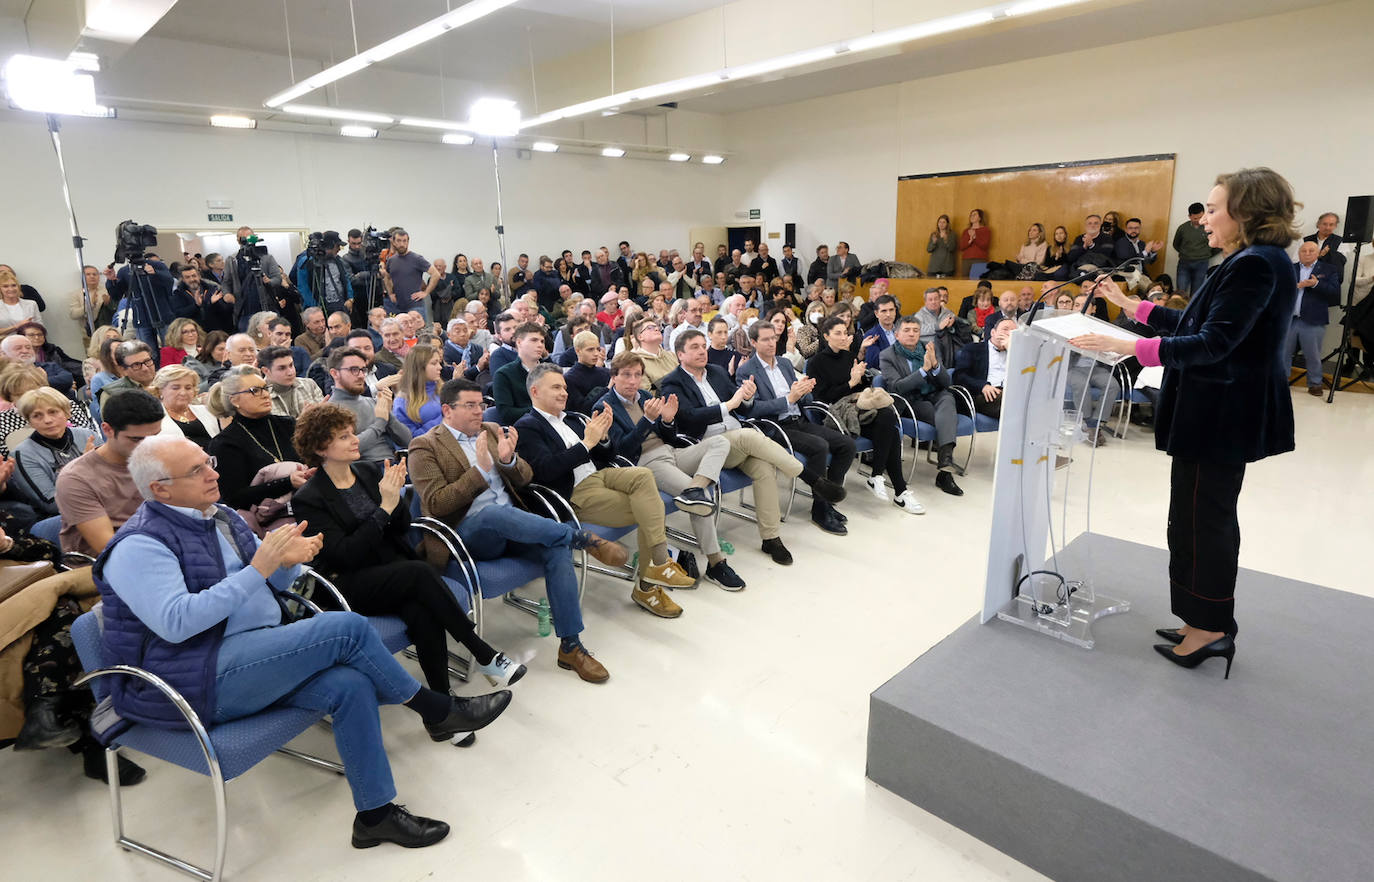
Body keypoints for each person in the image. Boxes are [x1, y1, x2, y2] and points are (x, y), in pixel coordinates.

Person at [103, 435, 508, 849]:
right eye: (198, 470)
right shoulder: (139, 545)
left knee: (350, 686)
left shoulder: (219, 516)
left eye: (207, 461)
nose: (214, 472)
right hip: (190, 680)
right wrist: (260, 568)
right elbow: (177, 624)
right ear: (160, 489)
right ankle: (439, 710)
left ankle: (375, 816)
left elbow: (268, 586)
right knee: (346, 627)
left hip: (252, 651)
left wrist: (287, 563)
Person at [1070, 167, 1301, 676]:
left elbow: (1213, 343)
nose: (1203, 221)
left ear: (1247, 213)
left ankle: (1210, 630)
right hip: (1216, 414)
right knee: (1193, 518)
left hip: (1220, 416)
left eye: (1213, 210)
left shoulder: (1256, 265)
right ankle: (1201, 616)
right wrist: (1133, 306)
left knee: (1204, 521)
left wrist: (1126, 345)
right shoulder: (1248, 261)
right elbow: (1199, 321)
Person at [290, 404, 526, 694]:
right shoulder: (309, 498)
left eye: (352, 433)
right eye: (343, 437)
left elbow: (401, 526)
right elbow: (345, 554)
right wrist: (384, 507)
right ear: (320, 448)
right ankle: (483, 652)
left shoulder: (365, 470)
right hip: (351, 582)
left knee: (421, 612)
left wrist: (396, 497)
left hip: (392, 569)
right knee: (418, 571)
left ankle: (442, 709)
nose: (355, 439)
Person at [408, 378, 621, 682]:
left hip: (515, 524)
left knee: (554, 547)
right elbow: (437, 503)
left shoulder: (490, 432)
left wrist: (508, 460)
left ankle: (571, 646)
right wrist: (480, 471)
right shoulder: (424, 446)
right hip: (466, 535)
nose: (479, 411)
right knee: (495, 513)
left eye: (481, 405)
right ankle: (579, 537)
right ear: (447, 409)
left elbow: (525, 479)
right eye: (470, 406)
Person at [514, 364, 695, 617]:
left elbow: (609, 455)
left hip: (600, 475)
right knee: (650, 510)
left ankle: (658, 567)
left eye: (565, 387)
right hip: (575, 492)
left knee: (644, 476)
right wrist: (588, 442)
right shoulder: (527, 427)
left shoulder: (572, 419)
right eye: (556, 387)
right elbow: (545, 471)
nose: (564, 393)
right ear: (535, 391)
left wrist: (603, 438)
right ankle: (649, 585)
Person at [660, 330, 830, 564]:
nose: (702, 351)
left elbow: (744, 408)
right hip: (707, 448)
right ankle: (810, 477)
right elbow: (688, 417)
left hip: (735, 441)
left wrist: (747, 397)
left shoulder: (717, 373)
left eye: (703, 345)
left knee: (764, 469)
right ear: (680, 354)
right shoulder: (671, 382)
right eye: (695, 347)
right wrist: (728, 405)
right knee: (747, 436)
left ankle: (771, 539)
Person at [735, 322, 855, 534]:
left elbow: (802, 399)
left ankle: (827, 500)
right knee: (819, 446)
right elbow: (751, 411)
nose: (772, 343)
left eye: (773, 338)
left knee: (846, 444)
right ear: (753, 342)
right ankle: (819, 511)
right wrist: (788, 398)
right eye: (765, 339)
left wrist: (805, 390)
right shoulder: (746, 371)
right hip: (774, 427)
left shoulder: (784, 363)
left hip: (799, 421)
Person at [807, 316, 922, 514]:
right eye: (838, 333)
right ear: (826, 336)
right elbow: (822, 397)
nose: (844, 337)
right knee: (889, 424)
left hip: (857, 410)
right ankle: (890, 486)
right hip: (836, 415)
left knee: (888, 421)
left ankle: (887, 482)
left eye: (845, 333)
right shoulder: (816, 362)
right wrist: (851, 383)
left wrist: (860, 380)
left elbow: (859, 389)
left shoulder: (848, 356)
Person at [55, 390, 165, 557]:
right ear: (107, 430)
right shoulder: (76, 479)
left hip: (160, 545)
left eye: (155, 437)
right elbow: (109, 549)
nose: (148, 447)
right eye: (136, 439)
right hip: (107, 565)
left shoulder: (162, 458)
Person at [206, 366, 310, 515]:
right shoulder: (225, 443)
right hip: (264, 520)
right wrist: (288, 483)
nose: (265, 395)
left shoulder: (288, 424)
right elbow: (235, 498)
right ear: (235, 400)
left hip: (307, 504)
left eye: (266, 388)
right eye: (255, 391)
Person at [880, 316, 963, 496]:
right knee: (945, 418)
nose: (912, 334)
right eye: (907, 330)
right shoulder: (887, 355)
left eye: (915, 331)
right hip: (911, 401)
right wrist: (923, 371)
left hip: (934, 393)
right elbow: (897, 387)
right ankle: (945, 474)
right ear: (897, 334)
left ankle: (945, 462)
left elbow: (946, 382)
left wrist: (934, 365)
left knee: (948, 398)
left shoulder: (929, 348)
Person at [11, 388, 97, 516]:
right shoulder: (22, 454)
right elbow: (51, 505)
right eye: (37, 416)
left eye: (53, 412)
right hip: (61, 517)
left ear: (67, 413)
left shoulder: (88, 435)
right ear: (30, 422)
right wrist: (83, 467)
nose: (47, 420)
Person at [325, 346, 408, 463]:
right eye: (354, 370)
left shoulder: (371, 402)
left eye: (363, 370)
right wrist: (381, 421)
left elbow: (407, 440)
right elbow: (346, 449)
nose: (361, 375)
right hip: (363, 472)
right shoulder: (330, 410)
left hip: (392, 465)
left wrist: (388, 415)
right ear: (334, 373)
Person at [1287, 239, 1342, 395]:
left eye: (1311, 251)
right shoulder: (1289, 268)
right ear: (1299, 254)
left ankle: (1315, 384)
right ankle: (1281, 381)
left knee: (1312, 355)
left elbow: (1335, 292)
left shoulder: (1329, 269)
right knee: (1283, 353)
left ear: (1318, 253)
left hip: (1313, 320)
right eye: (1303, 251)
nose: (1307, 253)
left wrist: (1316, 284)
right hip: (1289, 319)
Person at [955, 318, 1016, 420]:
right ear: (993, 332)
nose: (1009, 334)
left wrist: (1011, 350)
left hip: (1010, 393)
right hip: (983, 394)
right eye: (1005, 329)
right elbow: (959, 376)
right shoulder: (973, 349)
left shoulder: (1017, 354)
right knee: (1012, 403)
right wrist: (982, 386)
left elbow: (1026, 378)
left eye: (1013, 332)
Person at [150, 364, 219, 447]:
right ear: (160, 390)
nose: (183, 393)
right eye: (175, 388)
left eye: (188, 388)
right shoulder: (153, 418)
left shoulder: (206, 411)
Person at [492, 323, 547, 424]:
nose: (540, 345)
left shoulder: (551, 371)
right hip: (524, 428)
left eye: (542, 341)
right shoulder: (504, 374)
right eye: (534, 340)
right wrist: (542, 410)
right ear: (519, 342)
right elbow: (507, 413)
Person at [259, 345, 324, 418]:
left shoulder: (309, 384)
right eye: (282, 368)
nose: (290, 372)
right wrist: (304, 419)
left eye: (291, 365)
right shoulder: (259, 396)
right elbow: (275, 429)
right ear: (266, 371)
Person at [392, 344, 443, 435]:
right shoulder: (402, 401)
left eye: (439, 362)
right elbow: (407, 438)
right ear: (419, 367)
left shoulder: (443, 389)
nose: (440, 367)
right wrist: (445, 419)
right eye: (434, 363)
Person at [1172, 202, 1220, 295]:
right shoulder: (1183, 228)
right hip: (1184, 262)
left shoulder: (1210, 227)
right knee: (1180, 291)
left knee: (1196, 293)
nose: (1198, 220)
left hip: (1202, 263)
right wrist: (1185, 253)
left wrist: (1206, 254)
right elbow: (1176, 244)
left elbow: (1217, 245)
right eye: (1195, 218)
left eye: (1201, 217)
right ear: (1189, 216)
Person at [96, 341, 159, 407]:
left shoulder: (167, 380)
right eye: (136, 365)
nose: (145, 368)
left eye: (147, 361)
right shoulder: (111, 394)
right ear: (123, 370)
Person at [627, 316, 679, 394]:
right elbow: (647, 394)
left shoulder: (671, 355)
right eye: (650, 328)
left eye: (657, 327)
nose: (656, 329)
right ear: (640, 337)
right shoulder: (636, 362)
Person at [564, 330, 610, 416]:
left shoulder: (606, 373)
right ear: (578, 351)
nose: (596, 353)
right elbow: (582, 409)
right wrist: (607, 389)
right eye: (590, 350)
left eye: (598, 349)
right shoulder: (570, 379)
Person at [1304, 211, 1346, 281]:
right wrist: (1319, 256)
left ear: (1335, 226)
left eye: (1331, 225)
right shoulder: (1306, 240)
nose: (1327, 228)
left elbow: (1339, 264)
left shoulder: (1341, 241)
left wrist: (1328, 254)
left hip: (1329, 282)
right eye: (1324, 224)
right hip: (1307, 281)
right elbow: (1298, 261)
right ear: (1318, 224)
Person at [959, 209, 991, 278]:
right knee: (964, 280)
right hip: (966, 259)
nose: (972, 216)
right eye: (971, 215)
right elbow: (961, 247)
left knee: (978, 279)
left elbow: (985, 245)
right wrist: (969, 241)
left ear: (980, 218)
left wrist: (975, 238)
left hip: (979, 259)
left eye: (974, 215)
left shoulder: (985, 230)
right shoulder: (966, 231)